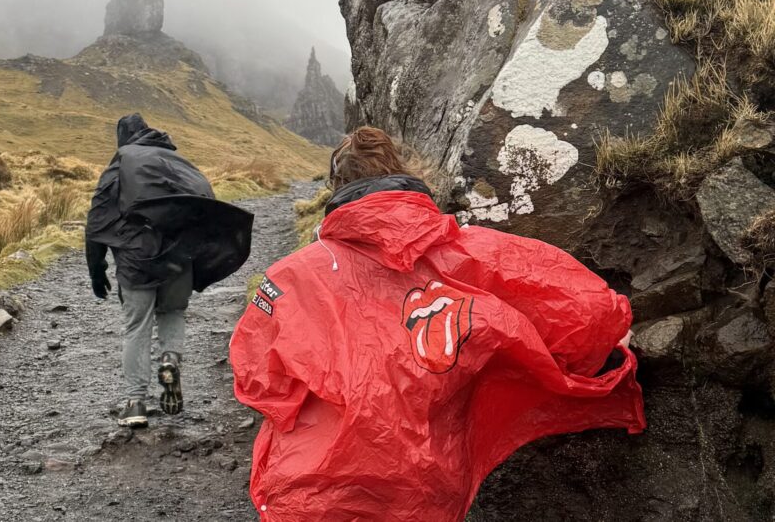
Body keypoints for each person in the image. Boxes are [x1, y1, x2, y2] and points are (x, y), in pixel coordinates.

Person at [230, 127, 645, 521]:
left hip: (314, 483)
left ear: (337, 191)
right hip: (426, 478)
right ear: (406, 177)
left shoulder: (289, 276)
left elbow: (259, 382)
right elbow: (582, 311)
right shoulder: (471, 251)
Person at [87, 113, 254, 428]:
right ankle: (169, 363)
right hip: (180, 257)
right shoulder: (176, 161)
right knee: (173, 313)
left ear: (122, 137)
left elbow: (97, 218)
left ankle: (135, 403)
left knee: (137, 326)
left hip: (137, 262)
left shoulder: (122, 163)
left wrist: (97, 269)